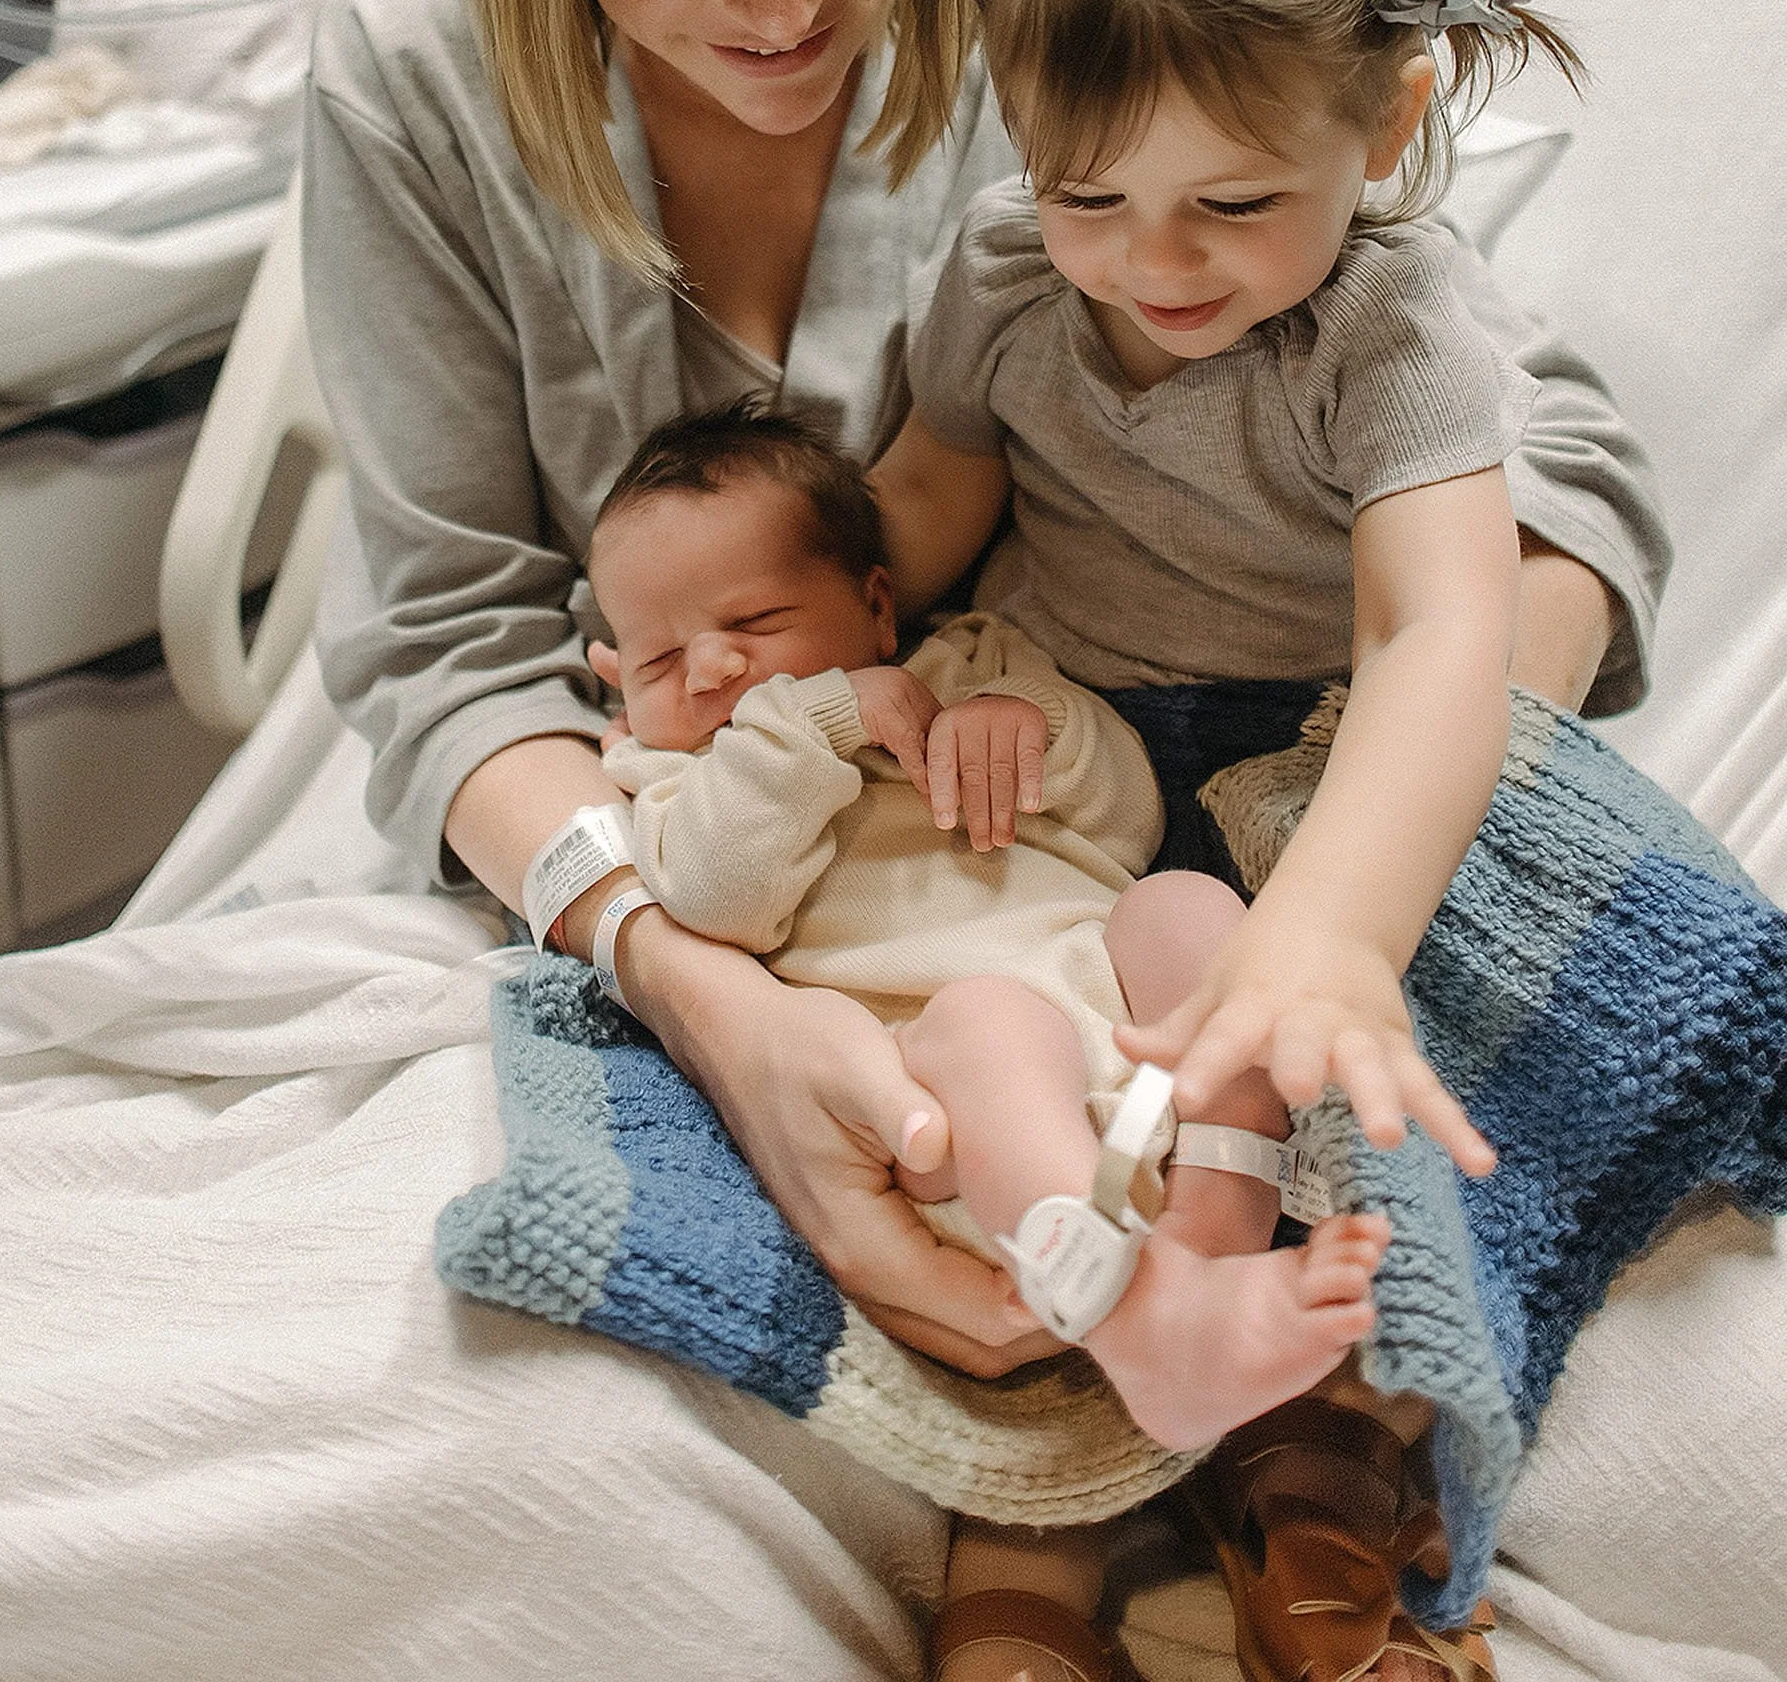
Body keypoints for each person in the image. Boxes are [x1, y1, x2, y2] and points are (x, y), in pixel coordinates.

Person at [303, 0, 1668, 1678]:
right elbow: (451, 638)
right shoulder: (416, 82)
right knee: (522, 1486)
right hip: (770, 873)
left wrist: (1348, 825)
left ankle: (1290, 1506)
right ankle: (1041, 1553)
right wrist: (697, 981)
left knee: (1332, 1174)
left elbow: (1530, 448)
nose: (771, 3)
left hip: (1109, 806)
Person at [866, 0, 1613, 1674]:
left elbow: (1443, 629)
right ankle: (1061, 1461)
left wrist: (1336, 935)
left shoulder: (1390, 328)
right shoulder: (1011, 275)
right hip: (1084, 755)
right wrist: (800, 644)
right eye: (1088, 187)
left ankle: (1308, 1463)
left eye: (1235, 200)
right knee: (1001, 1047)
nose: (1155, 260)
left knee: (1318, 1086)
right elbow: (935, 497)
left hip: (1313, 764)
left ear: (1389, 119)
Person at [585, 397, 1394, 1682]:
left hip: (1141, 1098)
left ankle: (1211, 1241)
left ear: (873, 602)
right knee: (989, 1015)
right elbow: (718, 896)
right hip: (974, 1139)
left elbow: (1123, 814)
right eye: (659, 655)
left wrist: (1036, 734)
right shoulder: (673, 779)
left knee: (1184, 906)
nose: (716, 670)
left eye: (751, 624)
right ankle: (1133, 1310)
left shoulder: (980, 666)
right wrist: (817, 723)